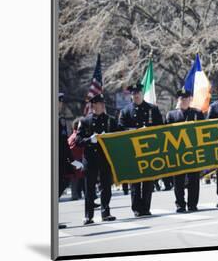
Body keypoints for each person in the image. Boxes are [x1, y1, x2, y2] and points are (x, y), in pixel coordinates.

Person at [119, 82, 164, 216]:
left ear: (142, 93)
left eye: (138, 93)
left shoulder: (153, 109)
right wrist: (136, 131)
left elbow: (161, 127)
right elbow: (120, 129)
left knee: (148, 181)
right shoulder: (125, 111)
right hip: (133, 151)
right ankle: (137, 208)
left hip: (149, 150)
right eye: (133, 94)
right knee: (135, 182)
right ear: (131, 96)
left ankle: (146, 207)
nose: (136, 95)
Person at [77, 93, 121, 225]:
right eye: (100, 103)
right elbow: (78, 141)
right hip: (90, 159)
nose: (102, 105)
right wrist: (90, 140)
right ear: (93, 105)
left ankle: (105, 213)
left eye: (103, 103)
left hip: (105, 158)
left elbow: (120, 136)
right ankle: (88, 216)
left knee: (106, 187)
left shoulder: (110, 120)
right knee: (89, 188)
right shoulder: (85, 121)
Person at [166, 88, 205, 212]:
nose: (183, 100)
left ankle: (192, 204)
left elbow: (204, 131)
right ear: (178, 100)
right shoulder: (171, 115)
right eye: (181, 98)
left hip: (193, 152)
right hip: (178, 153)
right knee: (178, 181)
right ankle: (180, 204)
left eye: (186, 98)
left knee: (194, 180)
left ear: (190, 99)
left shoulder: (197, 113)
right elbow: (165, 134)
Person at [58, 92, 77, 229]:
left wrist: (72, 160)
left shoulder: (61, 120)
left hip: (59, 160)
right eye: (59, 101)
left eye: (61, 102)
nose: (60, 104)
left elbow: (64, 143)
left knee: (63, 182)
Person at [67, 118, 85, 200]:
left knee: (77, 179)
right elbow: (71, 150)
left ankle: (77, 195)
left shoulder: (72, 136)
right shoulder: (75, 137)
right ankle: (75, 195)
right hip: (76, 161)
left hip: (76, 161)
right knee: (76, 179)